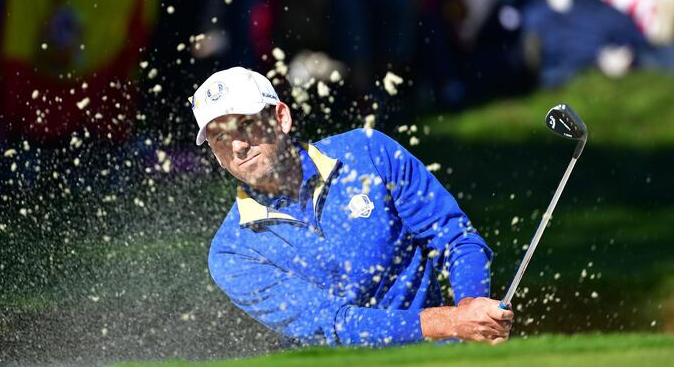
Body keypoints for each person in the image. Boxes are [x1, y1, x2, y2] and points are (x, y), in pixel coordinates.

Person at [190, 66, 513, 346]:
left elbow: (454, 237)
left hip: (436, 363)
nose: (238, 146)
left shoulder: (368, 151)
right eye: (219, 138)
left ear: (281, 117)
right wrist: (452, 322)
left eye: (245, 125)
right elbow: (334, 325)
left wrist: (473, 306)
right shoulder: (232, 252)